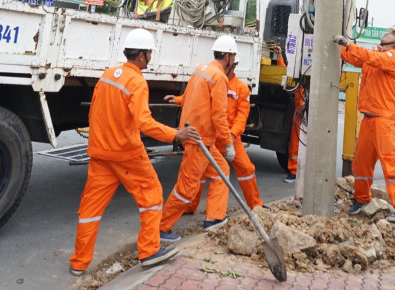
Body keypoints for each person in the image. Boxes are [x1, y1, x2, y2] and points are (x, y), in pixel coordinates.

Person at [69, 28, 201, 276]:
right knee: (151, 196)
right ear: (141, 55)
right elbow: (145, 122)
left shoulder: (108, 75)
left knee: (90, 209)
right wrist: (176, 134)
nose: (150, 56)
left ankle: (78, 263)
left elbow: (94, 112)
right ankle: (150, 251)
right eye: (150, 52)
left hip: (100, 153)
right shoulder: (137, 81)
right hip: (126, 153)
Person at [333, 27, 395, 223]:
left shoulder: (392, 56)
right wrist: (341, 46)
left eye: (392, 33)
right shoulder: (376, 54)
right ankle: (361, 199)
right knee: (361, 163)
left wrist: (348, 44)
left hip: (383, 118)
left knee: (390, 162)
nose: (387, 32)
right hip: (370, 117)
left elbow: (371, 58)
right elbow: (355, 58)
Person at [160, 35, 237, 235]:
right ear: (227, 56)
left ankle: (214, 218)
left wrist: (177, 100)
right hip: (199, 141)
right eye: (234, 58)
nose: (233, 63)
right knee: (186, 188)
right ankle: (161, 227)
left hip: (203, 140)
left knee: (222, 172)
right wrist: (228, 144)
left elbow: (190, 96)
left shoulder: (201, 68)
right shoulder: (219, 77)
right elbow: (219, 115)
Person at [166, 54, 265, 212]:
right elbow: (194, 96)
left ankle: (255, 205)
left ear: (232, 65)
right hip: (211, 137)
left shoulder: (241, 88)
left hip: (230, 138)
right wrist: (178, 99)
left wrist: (231, 138)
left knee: (246, 168)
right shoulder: (215, 78)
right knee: (200, 172)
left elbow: (241, 117)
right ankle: (189, 207)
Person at [274, 45, 304, 183]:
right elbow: (287, 73)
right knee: (295, 141)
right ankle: (294, 171)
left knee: (299, 142)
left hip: (308, 112)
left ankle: (297, 172)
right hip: (301, 111)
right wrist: (279, 57)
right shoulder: (300, 75)